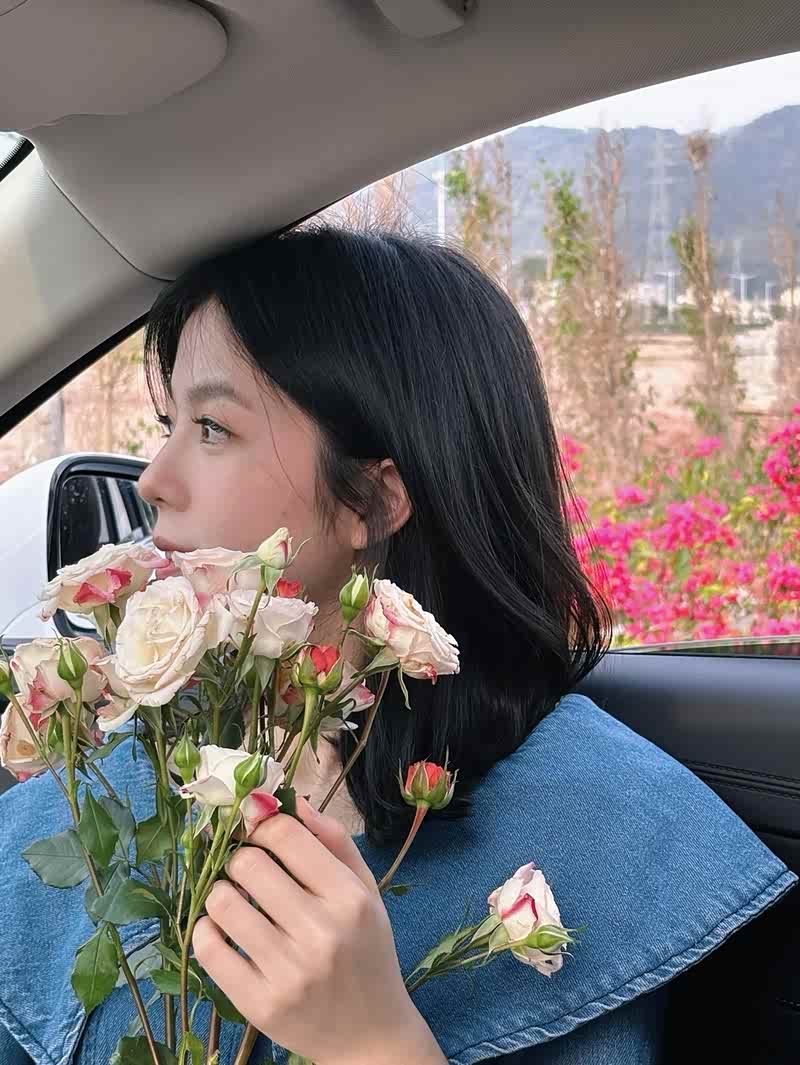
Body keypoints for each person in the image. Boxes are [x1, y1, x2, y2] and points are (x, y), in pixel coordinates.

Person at [0, 226, 796, 1065]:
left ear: (371, 503)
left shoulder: (602, 833)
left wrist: (379, 1042)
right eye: (168, 425)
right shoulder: (123, 784)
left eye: (210, 427)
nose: (153, 479)